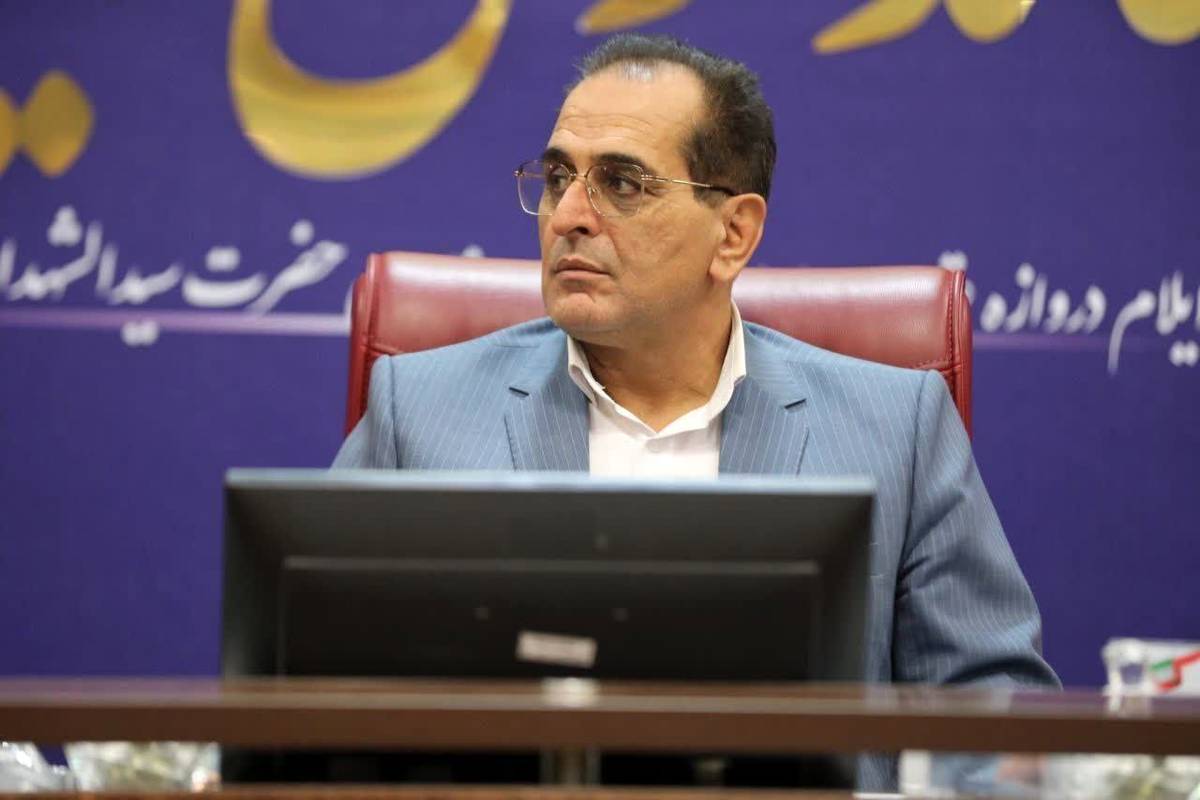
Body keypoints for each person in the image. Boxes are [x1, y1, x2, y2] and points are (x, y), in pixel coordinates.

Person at [334, 34, 1059, 790]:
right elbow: (312, 700)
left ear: (733, 234)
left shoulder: (898, 428)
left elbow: (995, 729)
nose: (568, 215)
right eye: (557, 177)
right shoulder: (418, 412)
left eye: (621, 183)